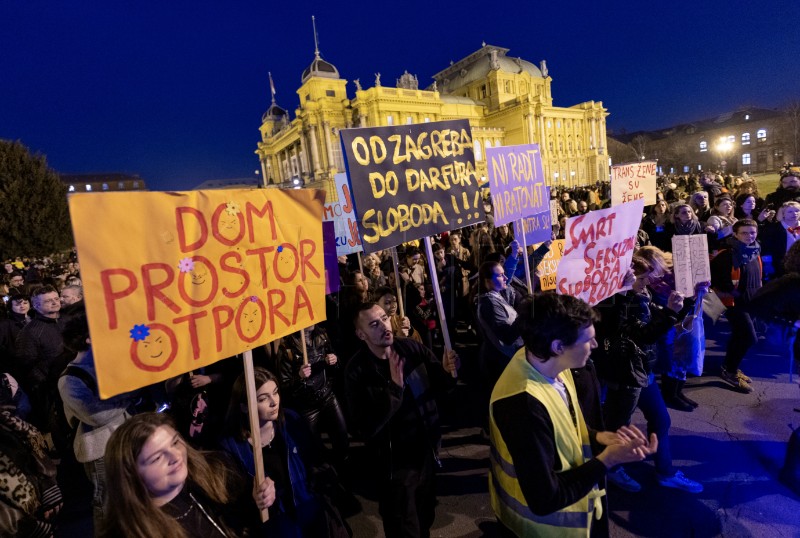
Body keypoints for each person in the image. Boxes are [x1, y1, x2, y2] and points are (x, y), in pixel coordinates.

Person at [489, 293, 658, 537]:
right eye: (588, 339)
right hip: (540, 529)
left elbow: (565, 425)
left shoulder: (551, 365)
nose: (596, 345)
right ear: (558, 346)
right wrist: (608, 460)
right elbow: (544, 499)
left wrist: (601, 438)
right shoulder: (522, 406)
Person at [344, 302, 459, 538]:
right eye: (374, 324)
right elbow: (363, 427)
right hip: (393, 466)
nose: (384, 326)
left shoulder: (411, 349)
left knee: (425, 517)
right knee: (402, 526)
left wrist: (450, 371)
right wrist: (394, 390)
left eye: (385, 318)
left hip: (425, 453)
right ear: (360, 333)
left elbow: (442, 386)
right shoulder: (356, 371)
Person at [595, 257, 703, 494]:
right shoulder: (612, 304)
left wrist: (685, 303)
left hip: (642, 369)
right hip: (625, 373)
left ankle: (665, 472)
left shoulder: (640, 297)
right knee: (618, 425)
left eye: (646, 278)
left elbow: (660, 318)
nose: (646, 283)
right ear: (624, 279)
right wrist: (668, 313)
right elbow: (641, 335)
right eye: (641, 278)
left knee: (661, 419)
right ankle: (610, 470)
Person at [221, 367, 348, 537]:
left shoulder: (292, 422)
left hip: (309, 514)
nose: (274, 402)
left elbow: (316, 461)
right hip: (275, 526)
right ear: (244, 407)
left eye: (275, 392)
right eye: (263, 399)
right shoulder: (231, 447)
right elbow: (231, 503)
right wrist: (253, 499)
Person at [100, 412, 270, 538]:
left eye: (175, 442)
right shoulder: (129, 532)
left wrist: (257, 500)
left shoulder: (217, 475)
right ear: (131, 474)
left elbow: (246, 524)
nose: (175, 456)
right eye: (157, 457)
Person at [279, 324, 349, 468]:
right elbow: (283, 386)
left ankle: (344, 471)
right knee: (314, 448)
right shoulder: (287, 347)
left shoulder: (321, 335)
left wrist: (333, 360)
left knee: (342, 438)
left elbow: (337, 365)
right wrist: (299, 377)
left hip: (327, 395)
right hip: (306, 406)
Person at [711, 219, 763, 393]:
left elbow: (757, 274)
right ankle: (731, 371)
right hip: (735, 303)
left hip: (752, 300)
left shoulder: (755, 249)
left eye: (752, 232)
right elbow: (715, 276)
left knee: (739, 336)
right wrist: (730, 291)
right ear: (735, 234)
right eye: (744, 233)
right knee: (749, 337)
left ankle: (728, 367)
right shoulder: (727, 254)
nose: (749, 236)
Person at [758, 201, 800, 280]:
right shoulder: (773, 229)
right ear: (783, 213)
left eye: (797, 211)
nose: (794, 214)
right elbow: (767, 247)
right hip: (780, 264)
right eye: (790, 211)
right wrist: (768, 264)